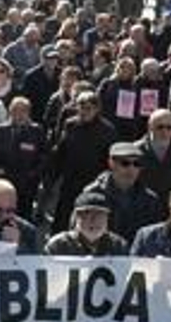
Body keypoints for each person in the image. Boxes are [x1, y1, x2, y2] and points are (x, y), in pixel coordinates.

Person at [47, 90, 115, 231]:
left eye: (88, 108)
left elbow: (109, 159)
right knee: (63, 216)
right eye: (81, 107)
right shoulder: (70, 125)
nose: (84, 111)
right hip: (70, 178)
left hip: (93, 181)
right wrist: (52, 177)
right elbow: (61, 151)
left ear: (96, 109)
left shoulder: (107, 130)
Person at [79, 141, 164, 240]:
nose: (131, 169)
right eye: (125, 163)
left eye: (137, 164)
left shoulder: (150, 199)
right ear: (111, 164)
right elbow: (78, 232)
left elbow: (154, 237)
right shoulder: (92, 194)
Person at [0, 96, 47, 221]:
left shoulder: (37, 131)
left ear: (28, 112)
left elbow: (45, 156)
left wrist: (35, 173)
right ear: (10, 112)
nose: (19, 114)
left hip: (28, 183)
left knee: (24, 216)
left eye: (23, 110)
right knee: (4, 214)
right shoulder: (1, 130)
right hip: (6, 181)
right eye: (15, 110)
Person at [45, 192, 130, 256]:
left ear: (107, 218)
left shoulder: (119, 246)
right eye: (86, 213)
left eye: (99, 214)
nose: (93, 220)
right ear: (76, 218)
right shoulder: (57, 246)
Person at [137, 108, 171, 202]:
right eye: (160, 127)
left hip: (168, 206)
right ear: (150, 127)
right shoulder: (135, 151)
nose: (164, 131)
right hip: (142, 206)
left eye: (169, 127)